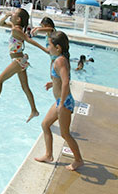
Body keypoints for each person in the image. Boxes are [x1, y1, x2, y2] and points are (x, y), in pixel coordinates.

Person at [0, 8, 49, 122]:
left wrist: (45, 50)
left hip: (18, 61)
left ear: (18, 19)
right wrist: (7, 15)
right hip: (21, 60)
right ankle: (34, 110)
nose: (11, 15)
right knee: (25, 87)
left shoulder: (16, 30)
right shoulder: (15, 28)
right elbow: (0, 23)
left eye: (13, 14)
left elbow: (29, 40)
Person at [35, 31, 83, 171]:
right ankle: (49, 155)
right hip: (59, 102)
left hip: (64, 103)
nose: (48, 48)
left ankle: (79, 160)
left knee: (65, 133)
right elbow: (61, 79)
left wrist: (61, 104)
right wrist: (52, 83)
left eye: (49, 45)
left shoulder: (60, 61)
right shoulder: (59, 59)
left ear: (58, 47)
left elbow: (66, 82)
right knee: (45, 125)